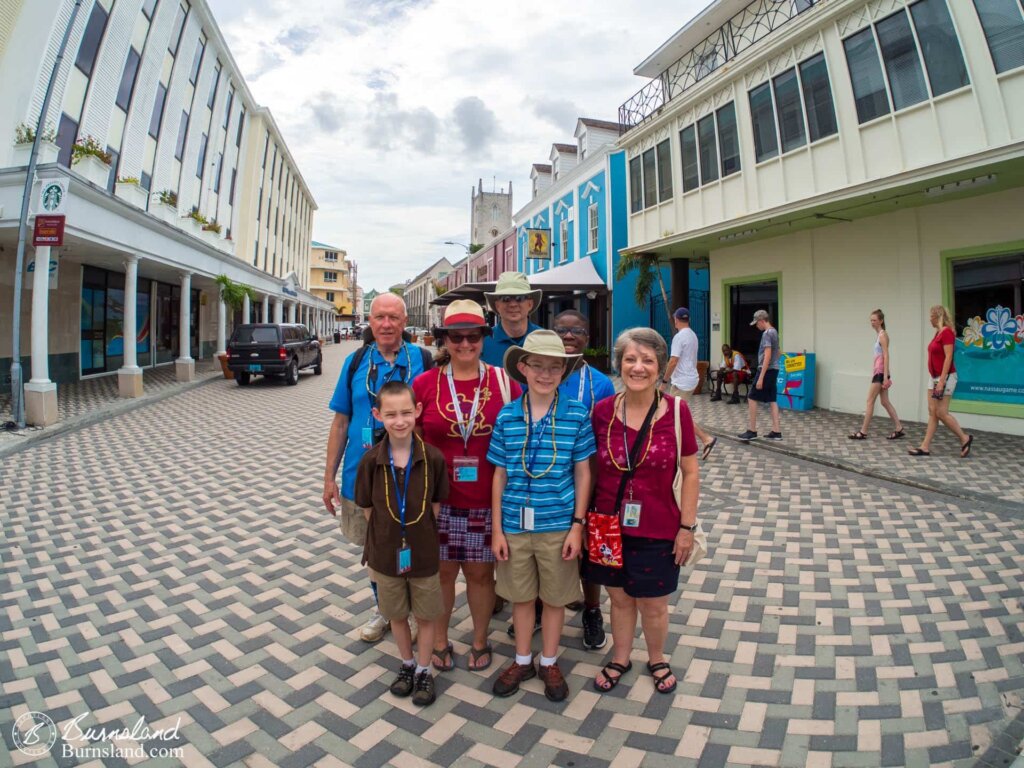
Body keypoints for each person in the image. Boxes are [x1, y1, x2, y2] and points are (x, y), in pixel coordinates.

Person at [584, 328, 700, 696]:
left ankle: (657, 657)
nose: (638, 367)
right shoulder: (602, 411)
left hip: (660, 526)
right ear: (619, 364)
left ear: (660, 367)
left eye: (648, 360)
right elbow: (588, 468)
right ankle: (620, 656)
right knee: (618, 598)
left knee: (653, 603)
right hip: (606, 524)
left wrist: (687, 527)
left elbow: (691, 471)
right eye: (630, 359)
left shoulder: (678, 411)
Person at [412, 300, 521, 673]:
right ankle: (440, 641)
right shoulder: (424, 384)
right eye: (455, 337)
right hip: (438, 502)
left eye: (472, 336)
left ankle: (479, 639)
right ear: (443, 339)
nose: (464, 344)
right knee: (441, 574)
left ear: (482, 338)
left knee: (479, 574)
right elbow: (412, 440)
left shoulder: (504, 383)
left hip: (487, 499)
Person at [487, 330, 595, 702]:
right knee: (520, 597)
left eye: (555, 367)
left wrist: (577, 527)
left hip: (558, 524)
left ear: (564, 372)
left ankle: (549, 660)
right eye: (538, 366)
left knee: (554, 597)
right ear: (523, 368)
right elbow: (499, 474)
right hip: (515, 526)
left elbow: (583, 472)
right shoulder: (506, 416)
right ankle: (521, 658)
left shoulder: (576, 414)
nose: (546, 374)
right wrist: (497, 529)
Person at [323, 293, 433, 643]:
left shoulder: (424, 360)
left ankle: (415, 613)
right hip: (364, 478)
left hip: (413, 477)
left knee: (414, 544)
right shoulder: (355, 362)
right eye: (379, 317)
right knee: (375, 549)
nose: (386, 324)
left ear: (405, 321)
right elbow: (341, 422)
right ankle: (386, 609)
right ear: (370, 322)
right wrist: (329, 478)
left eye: (394, 318)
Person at [354, 382, 449, 706]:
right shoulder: (370, 462)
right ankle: (407, 664)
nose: (399, 421)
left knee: (425, 615)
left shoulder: (433, 458)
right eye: (391, 414)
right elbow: (367, 509)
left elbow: (435, 506)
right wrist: (390, 534)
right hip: (384, 554)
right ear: (378, 415)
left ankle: (424, 669)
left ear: (417, 412)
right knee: (395, 613)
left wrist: (413, 531)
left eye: (406, 413)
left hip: (422, 554)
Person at [552, 309, 616, 650]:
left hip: (585, 478)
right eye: (562, 329)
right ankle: (539, 608)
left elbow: (605, 436)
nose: (568, 335)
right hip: (546, 481)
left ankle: (592, 610)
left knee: (589, 554)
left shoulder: (600, 383)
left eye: (577, 330)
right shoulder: (541, 371)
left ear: (587, 339)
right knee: (548, 548)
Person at [909, 305, 973, 458]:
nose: (929, 319)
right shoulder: (938, 333)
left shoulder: (947, 333)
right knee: (932, 412)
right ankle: (925, 446)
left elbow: (948, 357)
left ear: (937, 316)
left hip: (945, 377)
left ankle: (964, 438)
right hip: (934, 377)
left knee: (941, 413)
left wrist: (942, 380)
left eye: (931, 316)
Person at [663, 308, 718, 460]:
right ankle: (680, 445)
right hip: (690, 379)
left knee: (676, 414)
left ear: (676, 320)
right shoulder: (693, 335)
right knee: (677, 414)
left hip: (682, 381)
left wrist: (664, 381)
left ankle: (706, 439)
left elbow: (673, 361)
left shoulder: (679, 337)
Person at [849, 309, 905, 440]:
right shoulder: (879, 335)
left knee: (870, 401)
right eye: (871, 320)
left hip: (880, 374)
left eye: (874, 320)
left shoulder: (882, 335)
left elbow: (886, 355)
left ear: (881, 321)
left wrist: (885, 376)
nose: (872, 322)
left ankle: (863, 432)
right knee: (885, 402)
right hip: (880, 373)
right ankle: (899, 428)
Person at [737, 309, 782, 441]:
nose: (757, 327)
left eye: (757, 324)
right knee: (772, 399)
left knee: (751, 397)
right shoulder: (774, 332)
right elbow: (778, 352)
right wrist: (775, 364)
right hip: (774, 369)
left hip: (766, 370)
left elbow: (767, 354)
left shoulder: (767, 334)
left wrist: (761, 376)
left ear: (762, 321)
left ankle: (752, 430)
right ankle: (776, 431)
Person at [481, 272, 543, 368]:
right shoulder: (482, 342)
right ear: (497, 305)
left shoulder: (545, 339)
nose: (513, 304)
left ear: (530, 304)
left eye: (519, 298)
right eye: (506, 298)